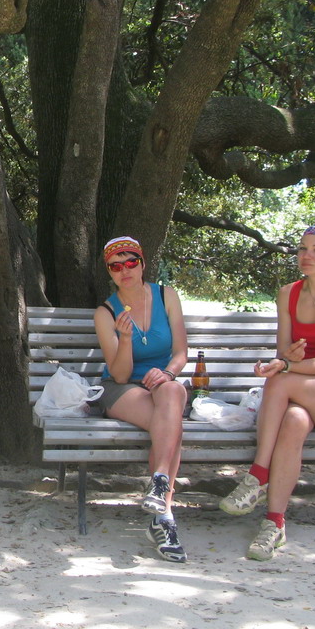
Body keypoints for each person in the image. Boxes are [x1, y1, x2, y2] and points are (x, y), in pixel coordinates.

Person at [220, 224, 315, 562]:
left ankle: (258, 475)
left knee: (280, 381)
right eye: (302, 248)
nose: (306, 256)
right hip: (300, 389)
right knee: (294, 422)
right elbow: (283, 353)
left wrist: (285, 366)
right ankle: (274, 523)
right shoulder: (287, 293)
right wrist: (286, 359)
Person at [92, 236, 190, 563]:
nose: (125, 271)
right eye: (115, 266)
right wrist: (125, 339)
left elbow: (181, 352)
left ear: (143, 263)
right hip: (123, 388)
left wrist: (168, 373)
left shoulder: (166, 296)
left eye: (131, 262)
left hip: (163, 383)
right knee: (171, 426)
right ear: (109, 272)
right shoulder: (106, 312)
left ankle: (159, 485)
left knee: (173, 393)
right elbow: (120, 375)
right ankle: (164, 516)